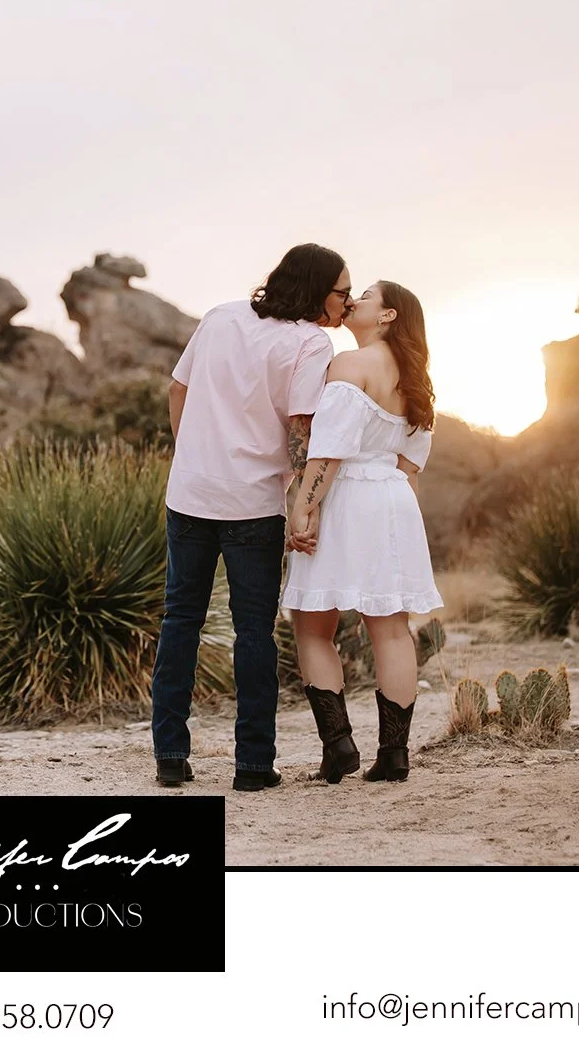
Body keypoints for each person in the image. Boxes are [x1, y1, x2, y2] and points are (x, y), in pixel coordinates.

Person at [152, 243, 352, 792]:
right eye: (342, 292)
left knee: (180, 622)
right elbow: (302, 427)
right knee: (253, 633)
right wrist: (303, 502)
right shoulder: (311, 341)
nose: (348, 303)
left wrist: (191, 454)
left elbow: (177, 389)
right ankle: (254, 766)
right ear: (317, 290)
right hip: (253, 505)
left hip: (190, 492)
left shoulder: (220, 316)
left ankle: (170, 755)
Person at [282, 280, 442, 784]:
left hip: (347, 495)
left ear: (388, 315)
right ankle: (394, 755)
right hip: (393, 498)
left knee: (312, 624)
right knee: (392, 629)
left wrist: (303, 509)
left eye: (366, 295)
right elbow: (409, 463)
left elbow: (329, 450)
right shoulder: (417, 380)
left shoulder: (351, 365)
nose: (354, 301)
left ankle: (339, 748)